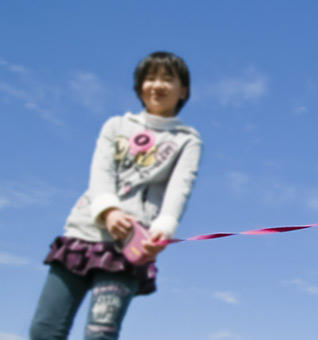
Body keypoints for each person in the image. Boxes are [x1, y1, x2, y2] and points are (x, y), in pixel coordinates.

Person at [29, 51, 202, 340]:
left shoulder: (188, 140)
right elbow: (101, 172)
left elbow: (179, 190)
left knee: (100, 334)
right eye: (150, 78)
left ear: (183, 90)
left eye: (167, 79)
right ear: (139, 87)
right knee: (44, 330)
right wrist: (108, 211)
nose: (157, 85)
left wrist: (162, 230)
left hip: (129, 247)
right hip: (82, 235)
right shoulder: (115, 126)